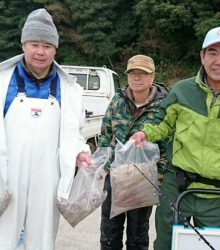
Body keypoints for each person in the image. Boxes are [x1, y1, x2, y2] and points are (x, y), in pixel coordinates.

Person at [131, 26, 220, 250]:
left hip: (217, 196)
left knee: (211, 247)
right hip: (176, 189)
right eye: (212, 52)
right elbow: (162, 125)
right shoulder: (181, 91)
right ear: (202, 56)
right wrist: (145, 132)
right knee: (165, 245)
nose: (219, 60)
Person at [0, 8, 91, 250]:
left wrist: (80, 152)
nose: (41, 52)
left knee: (42, 241)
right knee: (3, 237)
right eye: (34, 44)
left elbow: (75, 133)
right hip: (8, 175)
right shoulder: (2, 81)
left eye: (47, 46)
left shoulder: (68, 89)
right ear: (23, 45)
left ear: (55, 49)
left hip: (48, 176)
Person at [98, 54, 168, 250]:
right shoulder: (117, 101)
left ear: (152, 76)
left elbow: (166, 144)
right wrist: (104, 167)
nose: (137, 78)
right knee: (109, 233)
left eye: (143, 74)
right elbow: (105, 134)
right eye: (133, 73)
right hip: (115, 177)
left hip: (143, 179)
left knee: (138, 235)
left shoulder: (163, 106)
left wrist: (159, 177)